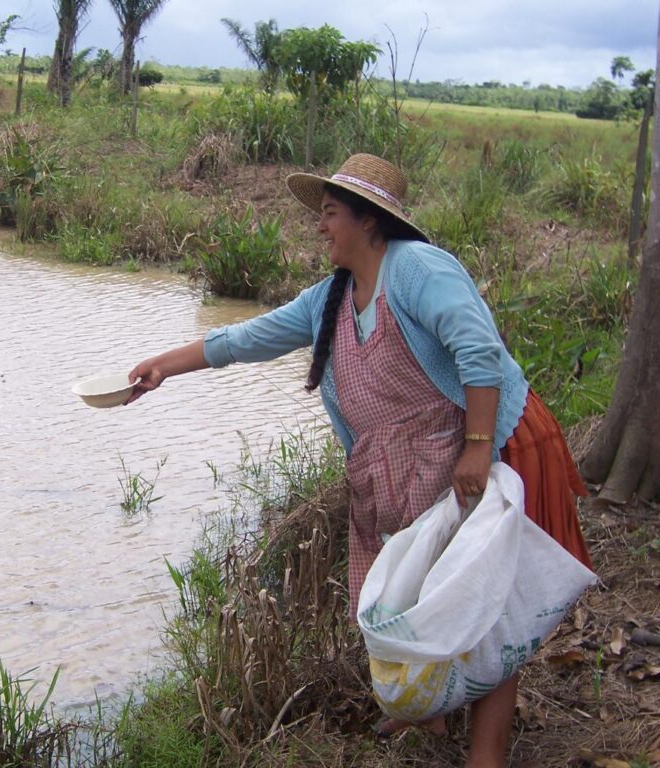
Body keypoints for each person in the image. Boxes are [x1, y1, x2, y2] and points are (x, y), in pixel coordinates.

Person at [125, 153, 593, 768]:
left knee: (486, 610)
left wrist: (478, 450)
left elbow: (480, 353)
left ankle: (486, 756)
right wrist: (163, 365)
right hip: (426, 469)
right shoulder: (332, 298)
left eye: (329, 214)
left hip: (498, 450)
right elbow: (247, 338)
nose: (320, 227)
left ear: (370, 222)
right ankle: (431, 718)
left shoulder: (418, 271)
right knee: (427, 598)